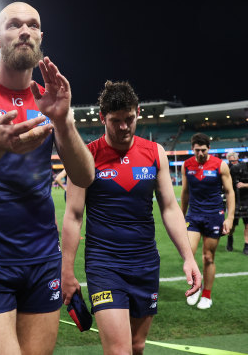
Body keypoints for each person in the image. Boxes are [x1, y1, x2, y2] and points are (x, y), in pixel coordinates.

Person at [0, 1, 95, 355]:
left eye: (32, 25)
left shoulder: (48, 99)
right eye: (13, 25)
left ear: (40, 37)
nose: (24, 30)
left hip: (42, 258)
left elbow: (85, 175)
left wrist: (63, 120)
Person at [61, 80, 202, 355]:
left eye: (129, 119)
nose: (124, 127)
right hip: (104, 265)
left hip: (145, 264)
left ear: (137, 112)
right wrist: (67, 271)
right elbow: (74, 215)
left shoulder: (154, 153)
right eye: (116, 120)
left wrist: (188, 256)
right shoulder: (86, 157)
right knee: (119, 351)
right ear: (102, 117)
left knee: (137, 347)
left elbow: (170, 208)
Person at [181, 133, 234, 309]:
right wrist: (181, 215)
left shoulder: (220, 165)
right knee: (189, 253)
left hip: (214, 215)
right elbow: (185, 192)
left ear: (209, 149)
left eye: (203, 150)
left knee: (208, 257)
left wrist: (230, 217)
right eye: (197, 150)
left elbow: (229, 192)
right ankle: (195, 287)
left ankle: (206, 294)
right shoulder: (187, 165)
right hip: (194, 215)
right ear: (193, 148)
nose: (200, 153)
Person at [225, 151, 248, 254]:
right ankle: (230, 240)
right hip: (234, 201)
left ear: (237, 159)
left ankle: (246, 246)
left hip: (246, 200)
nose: (232, 163)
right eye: (230, 162)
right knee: (232, 225)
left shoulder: (246, 166)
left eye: (234, 161)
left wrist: (244, 185)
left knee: (247, 224)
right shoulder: (227, 169)